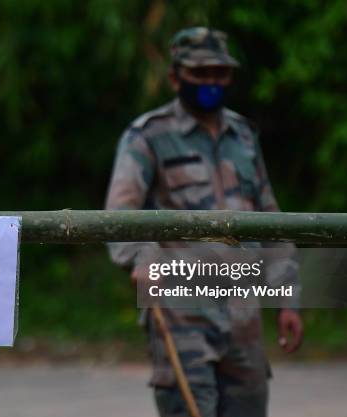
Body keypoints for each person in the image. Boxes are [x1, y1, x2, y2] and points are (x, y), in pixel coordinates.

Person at [105, 27, 304, 417]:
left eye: (220, 73)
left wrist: (287, 298)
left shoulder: (243, 137)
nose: (212, 82)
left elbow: (271, 219)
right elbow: (118, 215)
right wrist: (142, 261)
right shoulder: (148, 137)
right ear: (175, 77)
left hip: (243, 319)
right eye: (201, 73)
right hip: (182, 314)